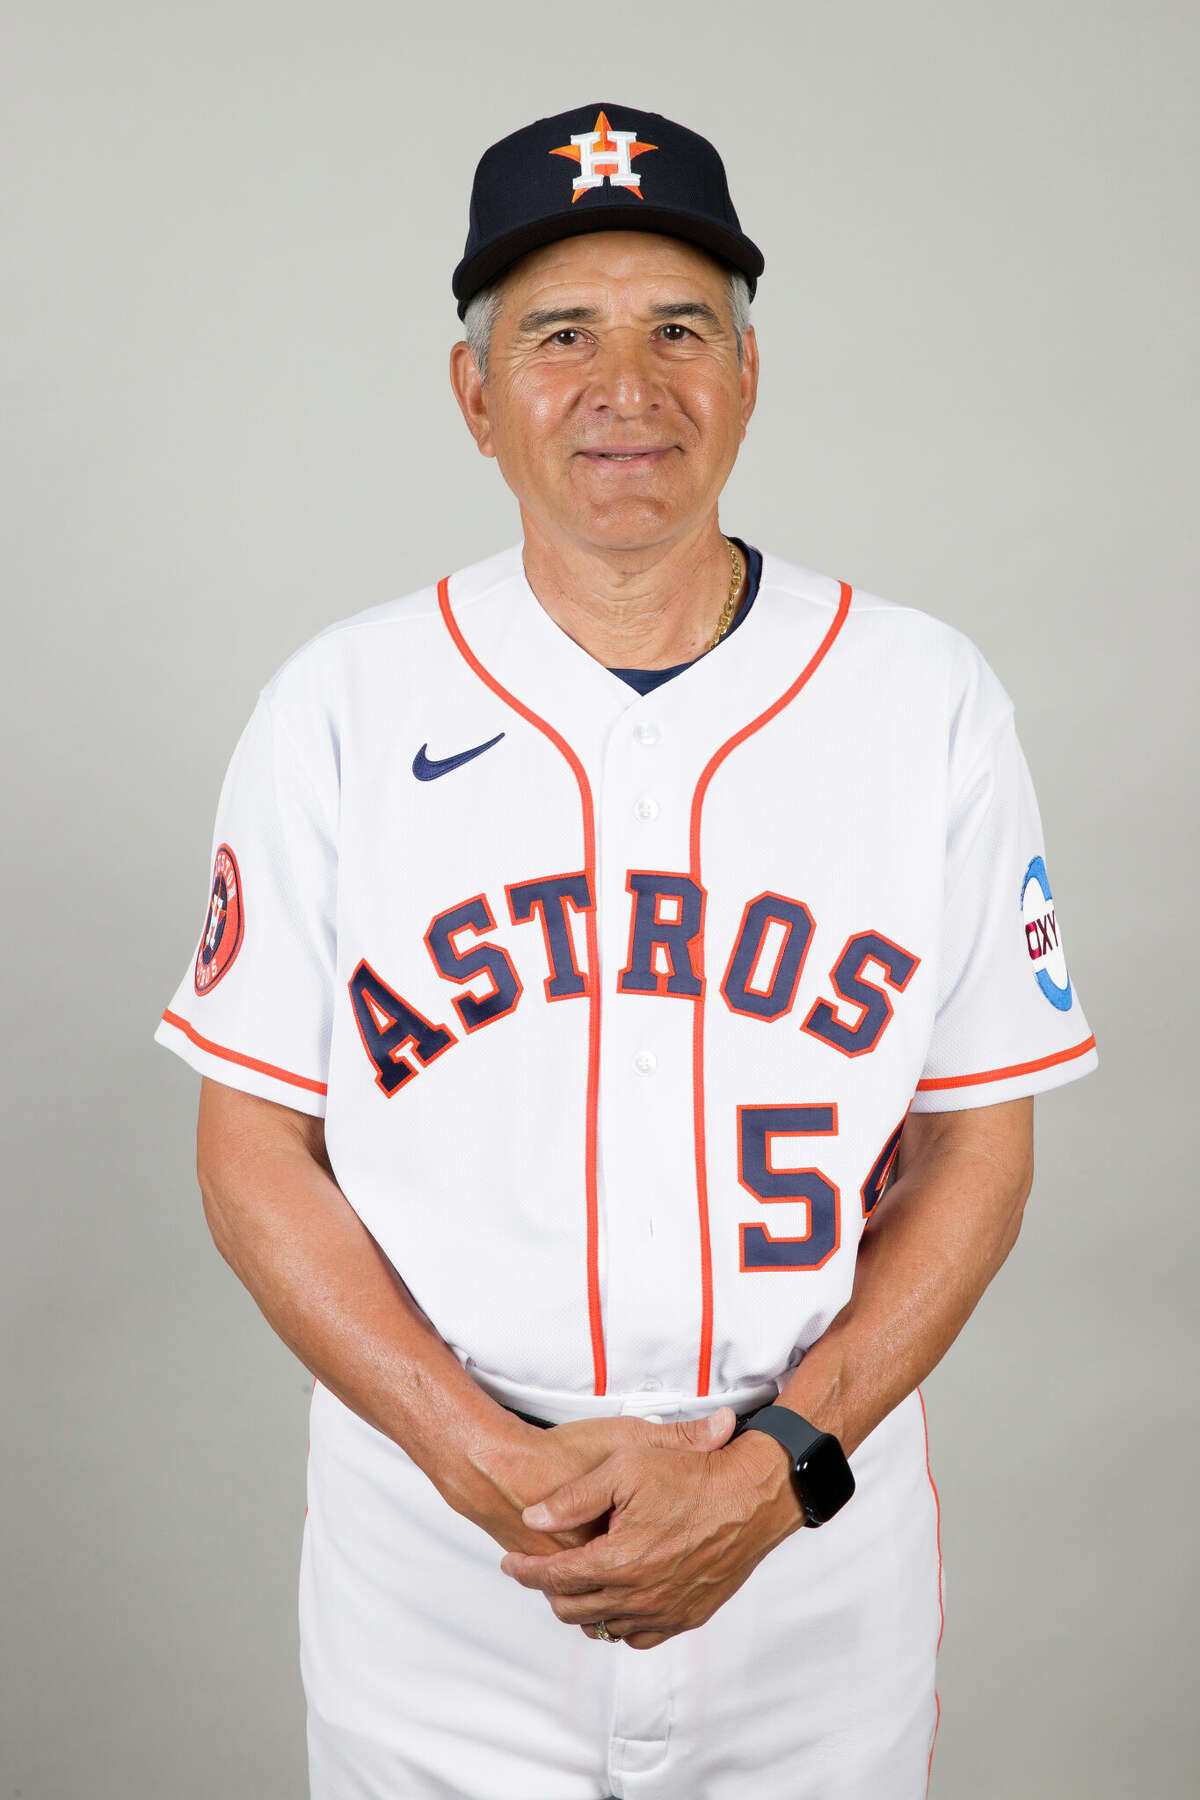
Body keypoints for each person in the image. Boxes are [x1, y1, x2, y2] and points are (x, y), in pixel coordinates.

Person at [154, 101, 1099, 1800]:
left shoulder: (921, 697)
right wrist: (474, 1460)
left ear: (749, 372)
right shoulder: (341, 707)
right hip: (442, 1549)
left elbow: (982, 1141)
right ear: (475, 396)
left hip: (810, 1522)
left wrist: (776, 1470)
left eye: (681, 329)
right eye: (558, 335)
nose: (626, 387)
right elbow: (248, 1152)